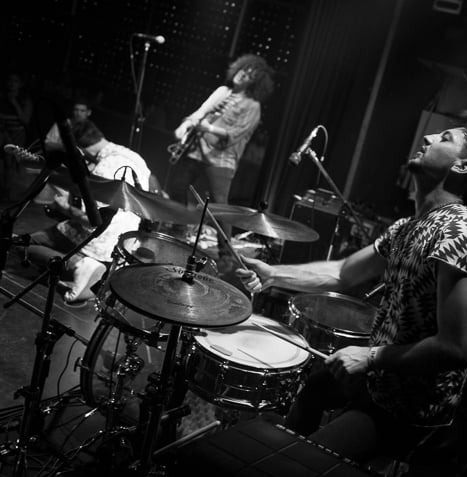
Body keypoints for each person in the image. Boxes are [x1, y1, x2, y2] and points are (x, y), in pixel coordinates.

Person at [234, 109, 467, 463]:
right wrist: (273, 274)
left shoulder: (459, 233)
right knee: (312, 390)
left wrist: (370, 356)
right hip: (379, 379)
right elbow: (343, 272)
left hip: (408, 407)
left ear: (462, 167)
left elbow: (456, 347)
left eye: (445, 138)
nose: (428, 137)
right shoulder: (408, 226)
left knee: (307, 463)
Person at [25, 118, 151, 303]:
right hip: (121, 243)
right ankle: (84, 272)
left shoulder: (103, 169)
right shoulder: (134, 157)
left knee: (22, 244)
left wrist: (62, 205)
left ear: (78, 149)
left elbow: (90, 221)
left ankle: (81, 265)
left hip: (96, 242)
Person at [167, 53, 275, 270]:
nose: (242, 75)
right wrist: (185, 125)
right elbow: (200, 112)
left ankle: (226, 254)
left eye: (249, 75)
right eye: (243, 70)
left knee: (219, 207)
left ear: (255, 82)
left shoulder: (253, 106)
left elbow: (235, 134)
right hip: (196, 150)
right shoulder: (222, 91)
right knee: (176, 186)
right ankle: (178, 229)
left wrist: (209, 128)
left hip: (221, 159)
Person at [0, 71, 34, 201]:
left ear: (20, 84)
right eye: (10, 81)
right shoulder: (2, 97)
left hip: (17, 135)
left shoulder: (24, 100)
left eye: (15, 81)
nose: (11, 84)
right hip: (2, 133)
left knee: (12, 163)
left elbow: (25, 119)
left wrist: (14, 102)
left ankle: (8, 192)